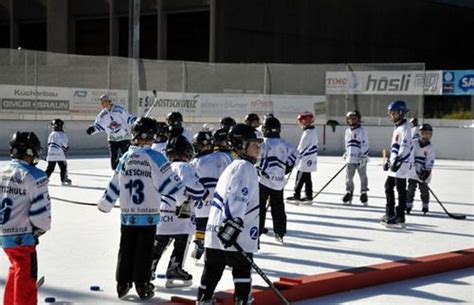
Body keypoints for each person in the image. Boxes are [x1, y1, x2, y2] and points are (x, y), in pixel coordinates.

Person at [97, 117, 184, 300]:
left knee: (126, 248)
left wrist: (106, 203)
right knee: (144, 251)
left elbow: (115, 183)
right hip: (149, 216)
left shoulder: (125, 157)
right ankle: (142, 283)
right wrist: (182, 200)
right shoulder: (156, 157)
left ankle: (122, 282)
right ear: (151, 136)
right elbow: (169, 184)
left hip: (128, 215)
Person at [197, 124, 262, 305]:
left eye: (259, 143)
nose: (258, 147)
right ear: (241, 144)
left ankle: (203, 300)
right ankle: (242, 300)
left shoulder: (234, 165)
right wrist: (232, 226)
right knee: (241, 270)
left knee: (212, 269)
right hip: (234, 233)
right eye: (253, 143)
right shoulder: (245, 167)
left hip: (216, 231)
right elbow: (237, 198)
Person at [0, 131, 51, 305]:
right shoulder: (35, 176)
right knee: (26, 276)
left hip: (4, 234)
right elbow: (40, 212)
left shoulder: (2, 172)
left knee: (15, 268)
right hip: (24, 236)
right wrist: (41, 227)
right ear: (30, 152)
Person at [151, 135, 204, 288]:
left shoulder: (164, 167)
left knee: (159, 242)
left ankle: (147, 269)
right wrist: (202, 192)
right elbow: (195, 189)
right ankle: (175, 268)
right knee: (182, 241)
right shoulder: (185, 167)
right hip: (180, 215)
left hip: (161, 212)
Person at [190, 131, 232, 261]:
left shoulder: (194, 163)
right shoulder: (223, 157)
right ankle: (223, 251)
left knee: (201, 225)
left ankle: (200, 244)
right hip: (220, 203)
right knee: (218, 227)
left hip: (202, 204)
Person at [257, 116, 298, 244]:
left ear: (265, 129)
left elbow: (257, 159)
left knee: (259, 207)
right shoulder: (285, 144)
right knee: (278, 208)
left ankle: (256, 231)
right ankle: (280, 232)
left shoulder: (262, 143)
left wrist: (260, 169)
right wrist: (288, 167)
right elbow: (296, 156)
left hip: (263, 181)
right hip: (279, 182)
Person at [382, 100, 413, 228]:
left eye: (394, 113)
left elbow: (405, 147)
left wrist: (398, 161)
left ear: (401, 113)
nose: (392, 115)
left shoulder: (406, 127)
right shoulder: (398, 127)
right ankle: (390, 212)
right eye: (391, 113)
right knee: (388, 187)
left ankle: (400, 216)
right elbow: (395, 147)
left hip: (402, 165)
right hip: (395, 163)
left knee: (400, 189)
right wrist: (389, 161)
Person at [86, 94, 136, 170]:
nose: (104, 104)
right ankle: (117, 174)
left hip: (124, 137)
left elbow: (129, 118)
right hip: (112, 140)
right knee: (114, 164)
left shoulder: (119, 110)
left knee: (126, 158)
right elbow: (99, 126)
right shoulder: (102, 115)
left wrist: (135, 121)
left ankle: (127, 173)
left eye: (105, 101)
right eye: (102, 102)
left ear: (109, 101)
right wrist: (92, 129)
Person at [286, 111, 318, 203]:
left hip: (306, 159)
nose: (300, 123)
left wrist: (295, 157)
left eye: (302, 121)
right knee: (307, 177)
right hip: (307, 159)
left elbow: (302, 148)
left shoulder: (308, 133)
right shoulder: (309, 131)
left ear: (307, 121)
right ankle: (308, 195)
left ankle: (297, 194)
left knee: (300, 177)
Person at [406, 124, 436, 215]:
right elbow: (411, 156)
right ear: (419, 133)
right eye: (423, 133)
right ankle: (408, 204)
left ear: (431, 135)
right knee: (411, 188)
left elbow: (430, 161)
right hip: (413, 172)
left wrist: (426, 172)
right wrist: (414, 168)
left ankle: (425, 205)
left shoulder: (431, 148)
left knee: (424, 189)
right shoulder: (414, 143)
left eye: (428, 134)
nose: (425, 136)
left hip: (424, 173)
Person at [342, 111, 370, 205]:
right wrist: (346, 153)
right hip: (350, 159)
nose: (352, 120)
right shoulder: (347, 131)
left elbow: (365, 144)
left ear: (358, 119)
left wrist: (363, 155)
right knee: (348, 177)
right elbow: (347, 144)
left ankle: (363, 193)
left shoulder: (362, 131)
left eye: (354, 118)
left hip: (360, 159)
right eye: (350, 119)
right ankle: (349, 192)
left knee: (363, 176)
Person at [45, 118, 72, 186]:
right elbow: (64, 144)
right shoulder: (62, 134)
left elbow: (49, 144)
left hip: (51, 154)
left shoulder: (51, 134)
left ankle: (44, 179)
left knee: (50, 168)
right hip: (59, 154)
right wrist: (66, 148)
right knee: (63, 167)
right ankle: (63, 180)